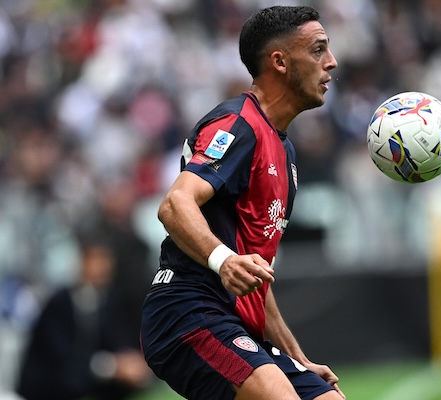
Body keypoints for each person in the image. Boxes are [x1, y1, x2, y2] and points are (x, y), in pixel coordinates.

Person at [140, 5, 343, 400]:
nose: (331, 63)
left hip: (233, 320)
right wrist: (223, 260)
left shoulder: (284, 153)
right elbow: (174, 204)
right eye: (318, 50)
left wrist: (297, 357)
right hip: (188, 311)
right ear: (280, 62)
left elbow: (255, 279)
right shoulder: (238, 127)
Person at [17, 231, 152, 400]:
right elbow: (62, 358)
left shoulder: (108, 301)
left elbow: (114, 340)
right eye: (96, 260)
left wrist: (129, 361)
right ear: (82, 262)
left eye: (106, 260)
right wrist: (110, 367)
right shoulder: (59, 303)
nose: (103, 267)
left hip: (86, 383)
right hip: (48, 388)